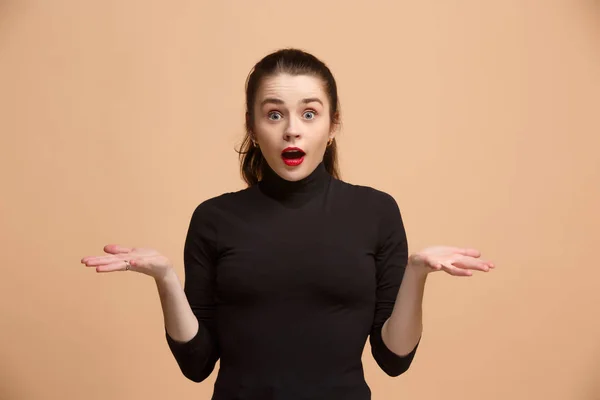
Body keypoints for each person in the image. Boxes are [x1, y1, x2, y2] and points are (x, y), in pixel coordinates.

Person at [81, 48, 495, 399]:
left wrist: (417, 273)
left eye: (309, 114)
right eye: (274, 114)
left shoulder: (376, 212)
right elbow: (197, 364)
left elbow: (393, 359)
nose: (292, 130)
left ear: (333, 125)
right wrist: (166, 278)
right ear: (252, 126)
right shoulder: (214, 218)